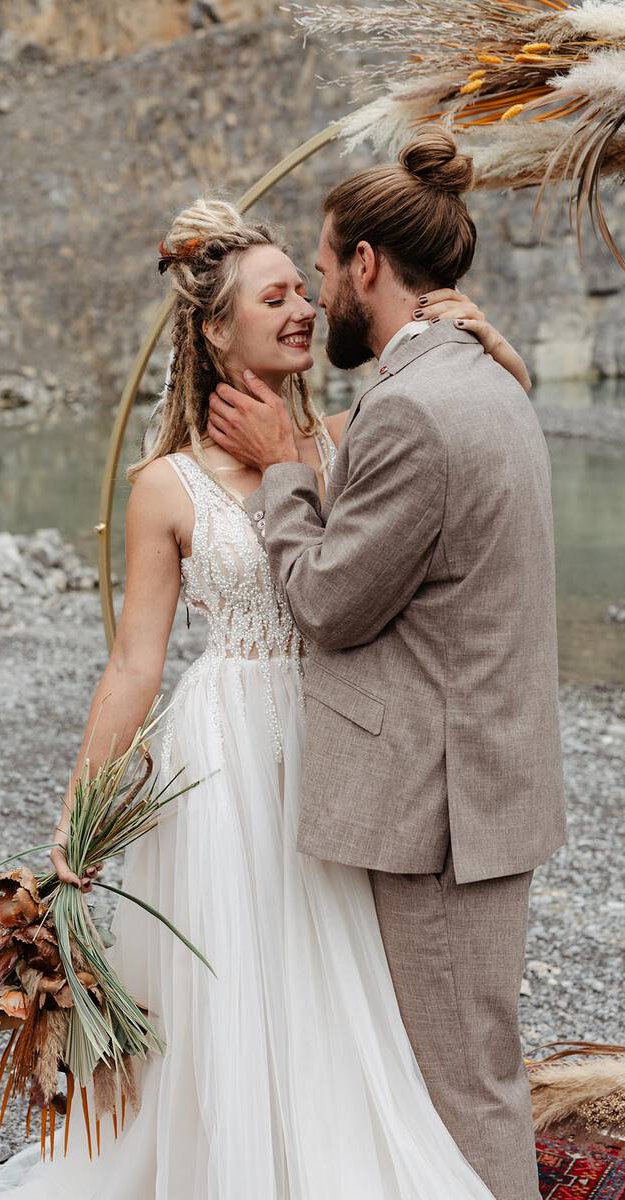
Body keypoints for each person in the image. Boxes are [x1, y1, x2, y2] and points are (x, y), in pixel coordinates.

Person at [0, 132, 539, 1200]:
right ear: (216, 324)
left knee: (346, 988)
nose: (304, 310)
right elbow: (134, 662)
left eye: (306, 288)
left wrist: (481, 338)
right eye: (275, 295)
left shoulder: (347, 436)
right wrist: (79, 808)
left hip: (342, 743)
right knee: (232, 984)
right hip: (225, 751)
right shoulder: (164, 487)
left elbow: (450, 465)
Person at [206, 129, 567, 1200]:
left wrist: (280, 473)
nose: (315, 297)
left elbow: (325, 604)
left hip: (441, 809)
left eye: (319, 268)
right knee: (455, 1074)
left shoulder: (408, 407)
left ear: (365, 263)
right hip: (481, 786)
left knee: (463, 1090)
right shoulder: (486, 375)